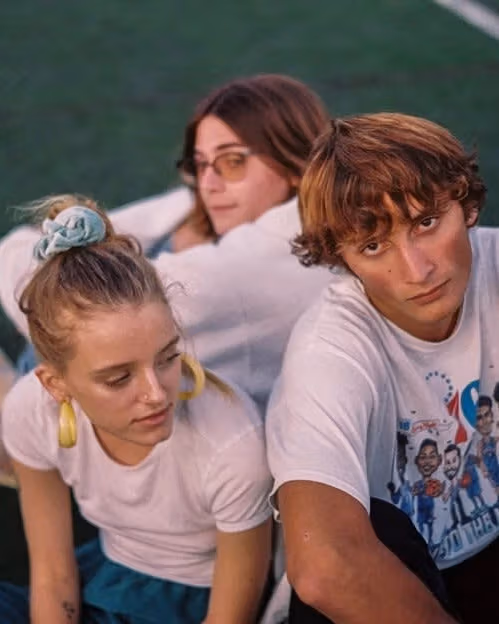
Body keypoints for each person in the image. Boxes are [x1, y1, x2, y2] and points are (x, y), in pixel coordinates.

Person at [266, 113, 499, 623]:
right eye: (374, 246)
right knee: (374, 533)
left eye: (426, 223)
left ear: (467, 204)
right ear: (343, 260)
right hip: (394, 580)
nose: (417, 271)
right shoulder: (329, 349)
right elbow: (326, 566)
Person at [0, 195, 273, 623]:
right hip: (102, 575)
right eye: (118, 378)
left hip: (194, 603)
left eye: (167, 357)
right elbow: (53, 576)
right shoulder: (29, 412)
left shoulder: (233, 446)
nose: (156, 394)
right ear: (55, 384)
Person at [0, 74, 332, 414]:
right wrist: (188, 210)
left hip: (91, 420)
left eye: (233, 162)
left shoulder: (231, 271)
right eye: (199, 166)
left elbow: (20, 264)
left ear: (296, 163)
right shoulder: (326, 227)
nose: (208, 185)